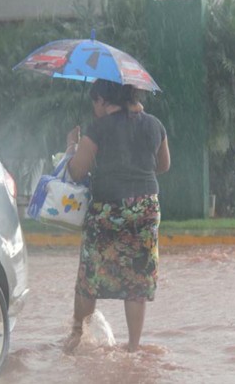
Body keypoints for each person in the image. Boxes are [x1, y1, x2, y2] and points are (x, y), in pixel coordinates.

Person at [63, 79, 170, 353]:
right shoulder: (155, 124)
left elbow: (76, 171)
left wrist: (71, 147)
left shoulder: (98, 129)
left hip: (108, 208)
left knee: (90, 276)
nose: (93, 109)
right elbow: (164, 165)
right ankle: (133, 347)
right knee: (137, 279)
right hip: (146, 208)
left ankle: (77, 338)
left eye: (94, 103)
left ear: (102, 100)